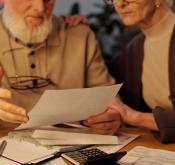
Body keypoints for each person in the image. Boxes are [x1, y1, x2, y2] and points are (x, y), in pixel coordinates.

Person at [0, 0, 121, 134]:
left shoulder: (80, 35)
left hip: (74, 145)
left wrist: (109, 118)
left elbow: (108, 98)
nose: (40, 8)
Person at [80, 0, 175, 143]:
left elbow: (126, 113)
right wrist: (70, 30)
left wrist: (133, 116)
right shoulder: (135, 48)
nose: (120, 4)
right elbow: (98, 77)